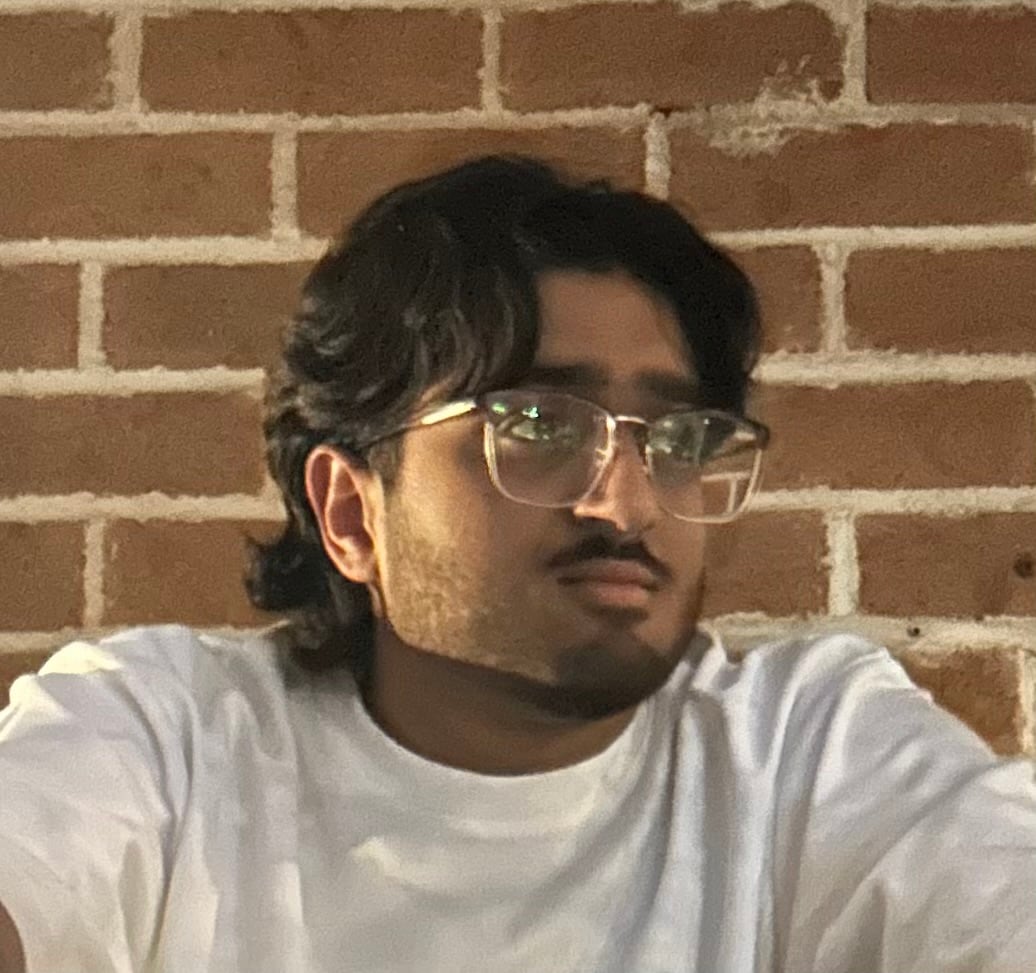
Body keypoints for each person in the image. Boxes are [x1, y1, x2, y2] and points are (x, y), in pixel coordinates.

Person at [0, 155, 1034, 973]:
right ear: (351, 511)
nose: (624, 501)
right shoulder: (161, 739)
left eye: (675, 440)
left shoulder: (806, 750)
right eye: (537, 422)